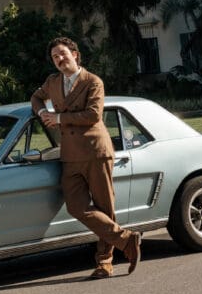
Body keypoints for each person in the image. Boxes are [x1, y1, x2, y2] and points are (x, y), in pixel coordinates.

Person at [31, 36, 141, 279]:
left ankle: (105, 262)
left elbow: (93, 115)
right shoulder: (52, 82)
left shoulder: (93, 81)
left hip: (95, 151)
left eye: (62, 54)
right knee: (75, 206)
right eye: (54, 57)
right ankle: (126, 240)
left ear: (75, 54)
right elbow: (35, 98)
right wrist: (42, 112)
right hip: (70, 155)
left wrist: (58, 118)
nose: (59, 59)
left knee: (104, 207)